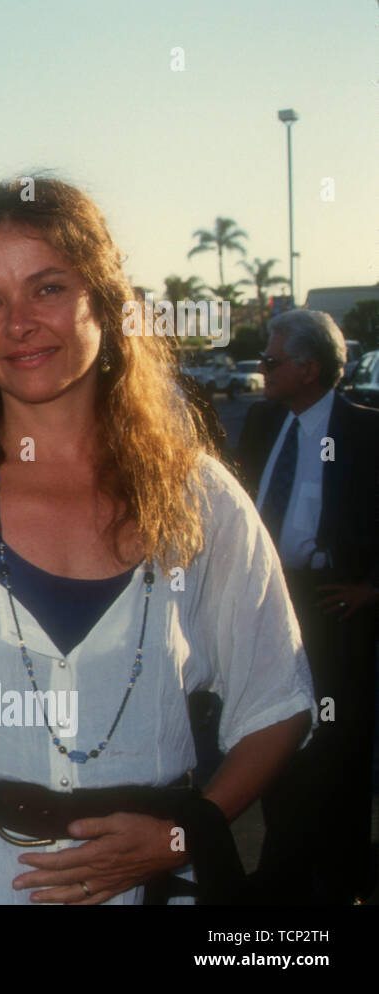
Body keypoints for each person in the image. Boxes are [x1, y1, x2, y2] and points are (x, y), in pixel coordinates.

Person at [0, 177, 314, 904]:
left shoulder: (199, 501)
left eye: (47, 288)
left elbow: (278, 702)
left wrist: (186, 834)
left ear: (105, 300)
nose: (18, 323)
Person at [236, 309, 379, 904]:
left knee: (339, 746)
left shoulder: (368, 432)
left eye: (271, 362)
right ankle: (283, 872)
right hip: (271, 602)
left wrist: (375, 587)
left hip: (333, 608)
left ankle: (341, 878)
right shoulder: (264, 422)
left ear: (309, 367)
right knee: (275, 733)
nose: (262, 372)